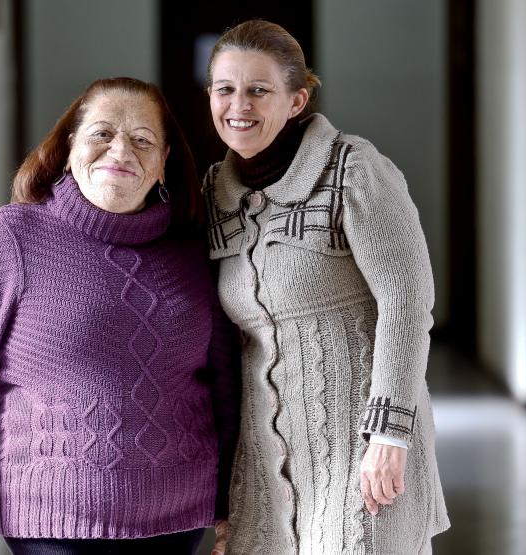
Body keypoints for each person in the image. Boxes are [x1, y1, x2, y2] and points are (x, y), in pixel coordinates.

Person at [0, 77, 239, 555]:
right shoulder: (14, 238)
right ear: (69, 148)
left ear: (163, 162)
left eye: (142, 139)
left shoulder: (194, 252)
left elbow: (228, 390)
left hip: (177, 520)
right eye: (101, 133)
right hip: (52, 522)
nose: (120, 150)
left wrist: (232, 502)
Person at [201, 20, 450, 554]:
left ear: (296, 100)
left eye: (258, 90)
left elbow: (407, 302)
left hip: (363, 448)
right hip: (266, 461)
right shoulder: (213, 195)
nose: (238, 105)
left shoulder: (352, 170)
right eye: (225, 89)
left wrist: (389, 433)